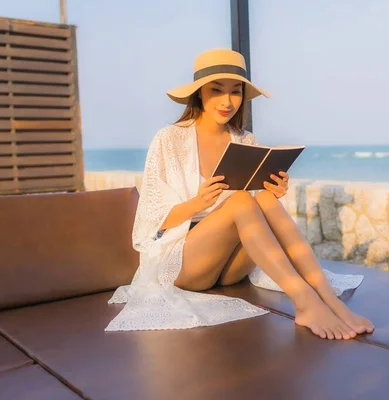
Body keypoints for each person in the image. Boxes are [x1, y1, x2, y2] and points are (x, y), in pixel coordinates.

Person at [105, 49, 374, 340]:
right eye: (217, 90)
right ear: (199, 94)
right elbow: (151, 221)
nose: (227, 101)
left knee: (264, 199)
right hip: (185, 263)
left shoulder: (244, 139)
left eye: (236, 92)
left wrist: (275, 190)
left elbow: (255, 215)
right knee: (242, 200)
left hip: (230, 266)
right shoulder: (170, 139)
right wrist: (199, 202)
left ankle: (329, 300)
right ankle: (305, 302)